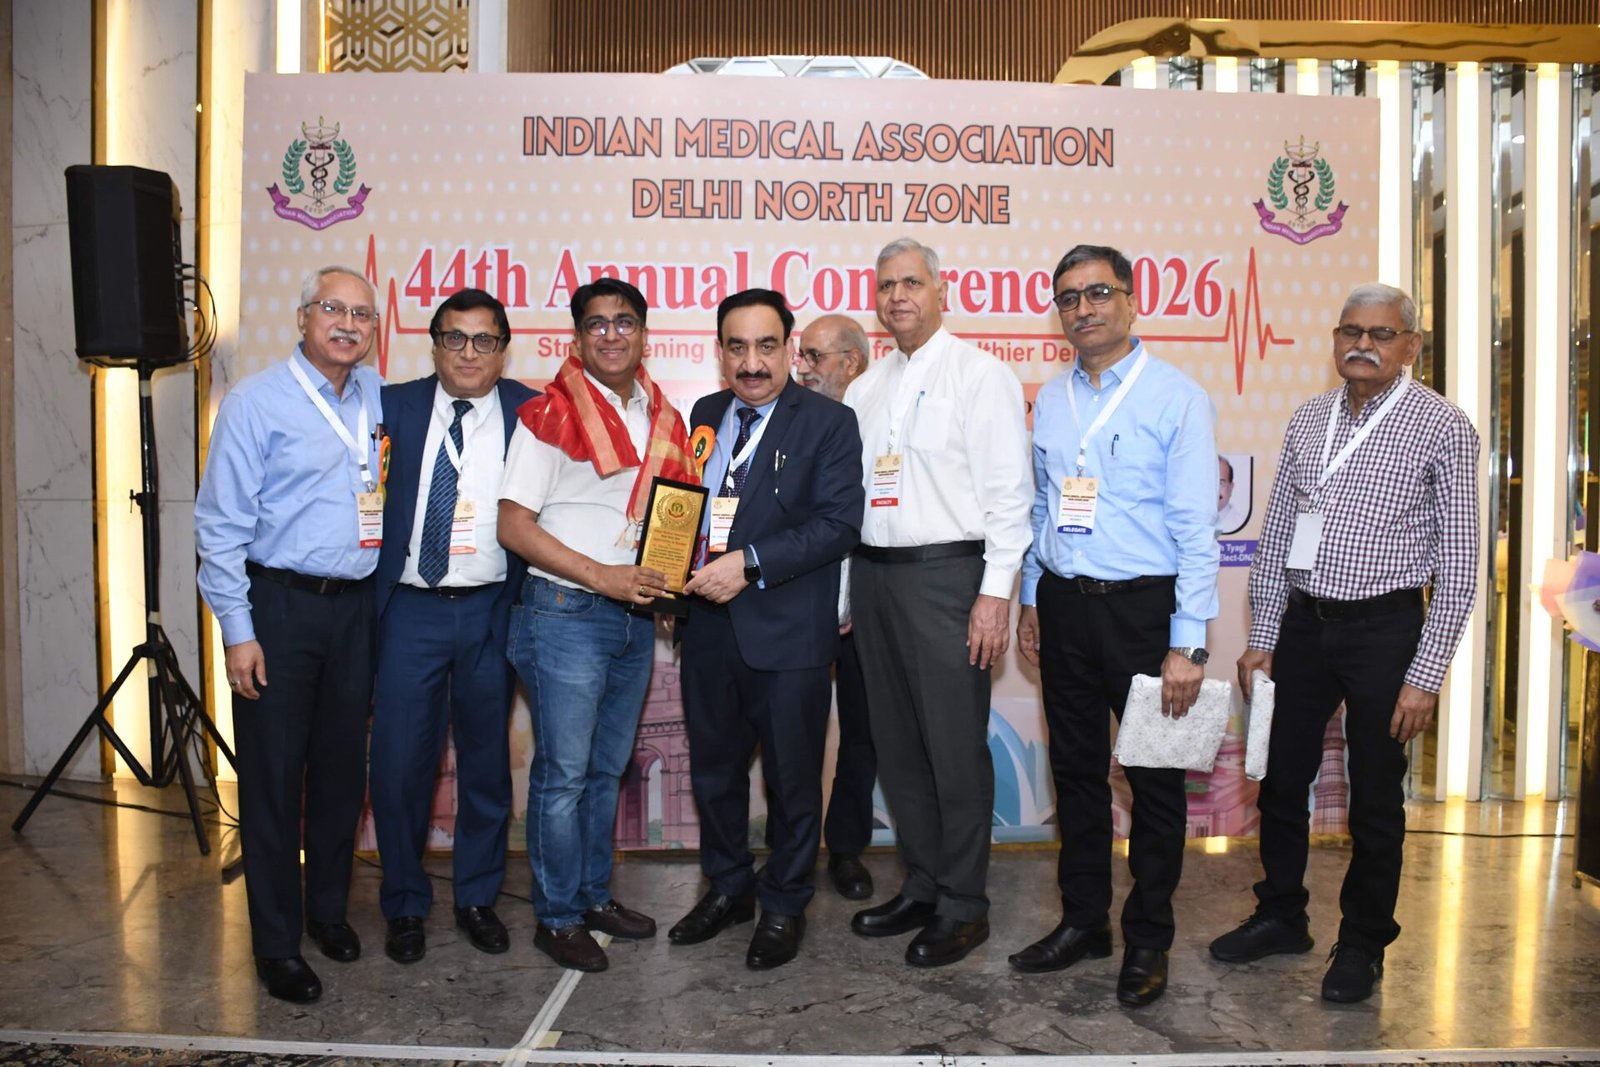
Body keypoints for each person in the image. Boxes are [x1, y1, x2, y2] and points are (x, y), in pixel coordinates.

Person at [1209, 282, 1479, 1004]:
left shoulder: (1443, 426)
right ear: (1335, 339)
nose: (1363, 344)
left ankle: (1362, 943)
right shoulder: (1310, 418)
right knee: (1280, 779)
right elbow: (1276, 539)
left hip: (1385, 632)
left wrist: (1425, 674)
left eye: (1382, 333)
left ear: (1411, 346)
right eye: (1351, 331)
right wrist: (1262, 636)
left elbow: (1460, 566)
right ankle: (1281, 915)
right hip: (1303, 624)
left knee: (1375, 799)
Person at [1013, 244, 1220, 1008]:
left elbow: (1196, 527)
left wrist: (1188, 641)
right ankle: (1084, 921)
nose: (1083, 309)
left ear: (1132, 300)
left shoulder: (1177, 397)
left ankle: (1149, 938)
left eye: (1098, 292)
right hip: (1065, 604)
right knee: (1075, 773)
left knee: (1156, 783)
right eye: (1068, 298)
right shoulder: (1050, 397)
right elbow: (1043, 505)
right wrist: (1032, 596)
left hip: (1146, 612)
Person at [195, 265, 386, 1004]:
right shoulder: (255, 402)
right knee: (273, 779)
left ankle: (327, 912)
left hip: (355, 609)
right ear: (303, 317)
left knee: (340, 773)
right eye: (333, 309)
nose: (347, 324)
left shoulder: (377, 397)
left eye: (362, 314)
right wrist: (237, 632)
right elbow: (219, 527)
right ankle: (276, 945)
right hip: (277, 608)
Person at [843, 238, 1032, 967]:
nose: (898, 296)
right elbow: (853, 502)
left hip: (950, 578)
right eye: (886, 285)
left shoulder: (980, 375)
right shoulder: (865, 389)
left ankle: (964, 902)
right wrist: (847, 595)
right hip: (875, 578)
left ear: (941, 290)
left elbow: (1009, 498)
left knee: (953, 748)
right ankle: (922, 883)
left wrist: (994, 594)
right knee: (897, 746)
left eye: (912, 282)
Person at [497, 277, 695, 973]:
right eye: (597, 324)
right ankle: (556, 917)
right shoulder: (546, 415)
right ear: (578, 337)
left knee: (606, 770)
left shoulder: (662, 417)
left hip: (634, 617)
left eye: (625, 321)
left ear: (644, 333)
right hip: (565, 613)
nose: (612, 334)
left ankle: (591, 895)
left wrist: (662, 585)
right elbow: (514, 526)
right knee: (564, 775)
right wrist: (601, 576)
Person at [668, 290, 864, 969]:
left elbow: (838, 525)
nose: (751, 363)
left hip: (788, 633)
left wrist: (748, 563)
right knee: (714, 772)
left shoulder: (830, 422)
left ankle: (784, 902)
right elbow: (688, 506)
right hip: (707, 627)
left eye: (766, 346)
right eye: (737, 347)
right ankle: (729, 887)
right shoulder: (704, 414)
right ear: (720, 352)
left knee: (792, 779)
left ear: (789, 349)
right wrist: (668, 568)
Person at [368, 288, 536, 964]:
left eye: (484, 340)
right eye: (455, 338)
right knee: (400, 766)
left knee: (487, 764)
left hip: (492, 607)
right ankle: (405, 903)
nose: (469, 352)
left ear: (503, 349)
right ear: (435, 344)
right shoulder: (390, 408)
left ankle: (476, 898)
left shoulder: (533, 413)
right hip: (410, 609)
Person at [794, 314, 876, 900]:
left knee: (863, 734)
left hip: (869, 601)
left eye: (815, 357)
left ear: (852, 363)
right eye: (800, 355)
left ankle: (846, 849)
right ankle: (789, 852)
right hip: (800, 602)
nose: (803, 369)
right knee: (791, 734)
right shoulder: (789, 421)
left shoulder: (883, 419)